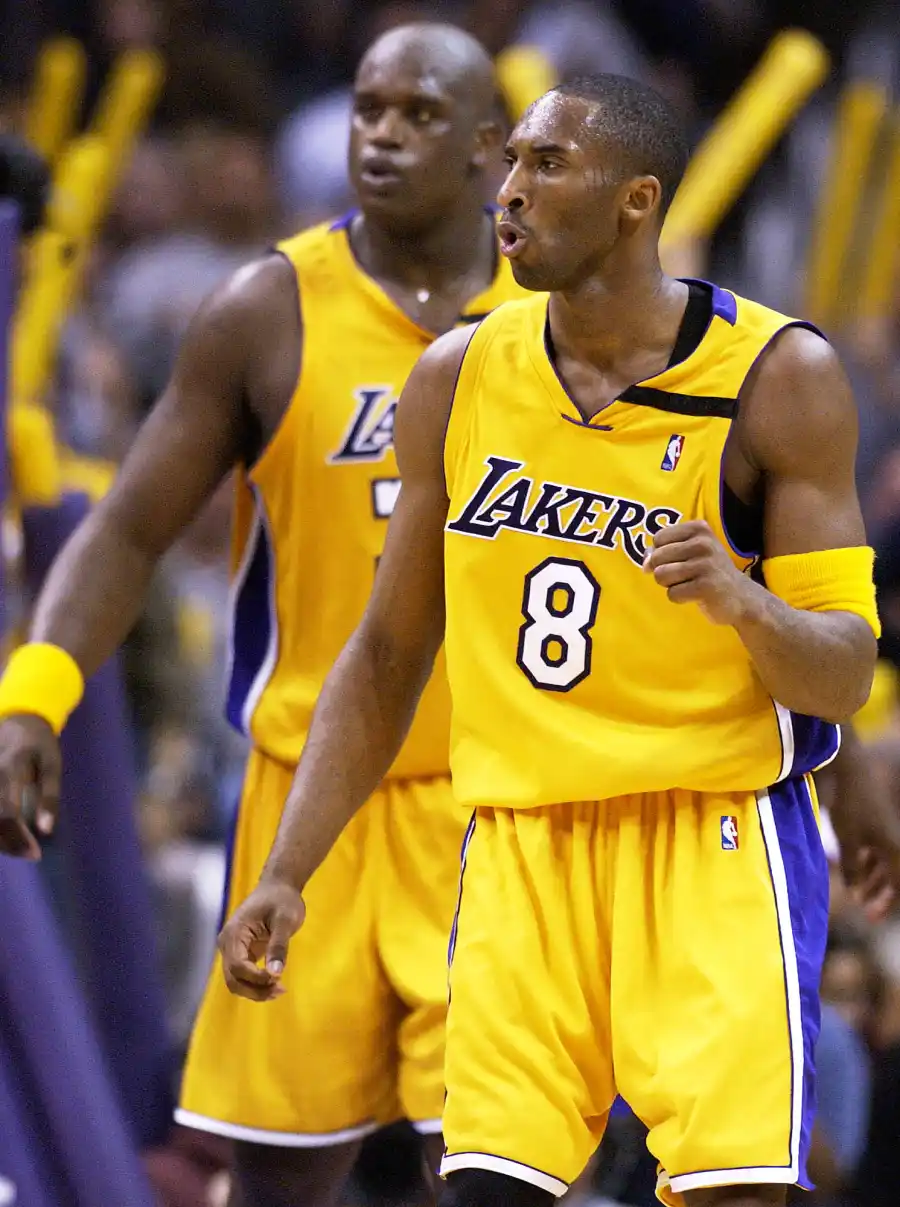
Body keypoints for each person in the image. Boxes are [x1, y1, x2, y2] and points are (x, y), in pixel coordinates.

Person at [218, 74, 900, 1207]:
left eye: (546, 166)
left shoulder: (779, 378)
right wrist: (289, 869)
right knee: (485, 1189)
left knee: (736, 1194)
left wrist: (743, 602)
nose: (510, 190)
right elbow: (386, 654)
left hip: (711, 845)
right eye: (513, 163)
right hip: (521, 848)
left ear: (636, 201)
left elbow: (838, 668)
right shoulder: (458, 374)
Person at [0, 24, 526, 1207]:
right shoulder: (267, 309)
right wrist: (34, 691)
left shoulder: (558, 324)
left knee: (501, 1170)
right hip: (309, 809)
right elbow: (128, 527)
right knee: (283, 1181)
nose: (381, 137)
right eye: (367, 109)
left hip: (496, 810)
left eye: (420, 115)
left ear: (491, 147)